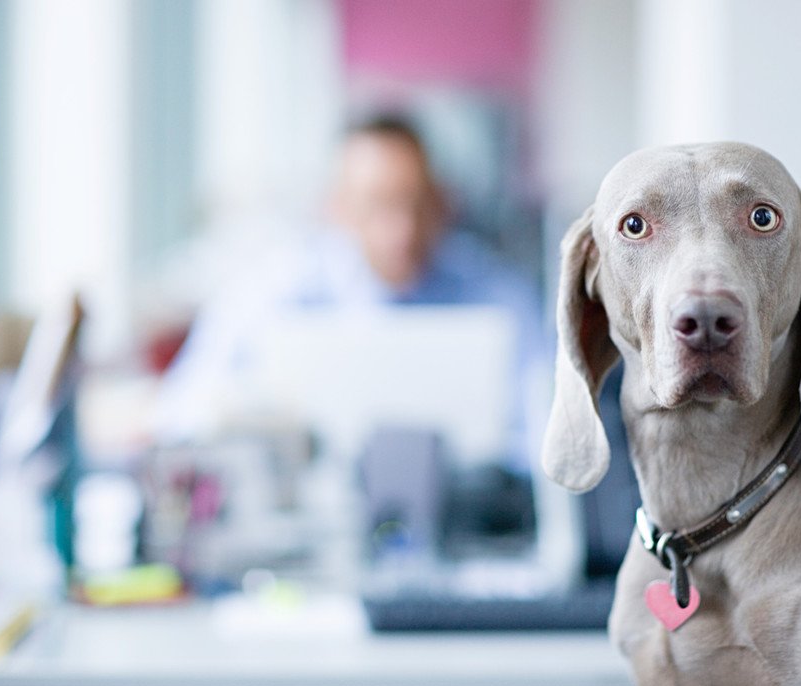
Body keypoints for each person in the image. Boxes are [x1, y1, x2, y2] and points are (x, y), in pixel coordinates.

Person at [157, 115, 546, 468]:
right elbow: (181, 410)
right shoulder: (276, 291)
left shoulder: (496, 292)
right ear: (336, 207)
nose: (402, 230)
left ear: (441, 202)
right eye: (377, 205)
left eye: (416, 204)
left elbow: (549, 426)